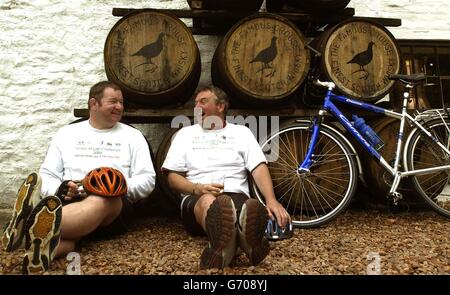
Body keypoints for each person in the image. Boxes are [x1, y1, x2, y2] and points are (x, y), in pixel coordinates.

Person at [2, 81, 156, 274]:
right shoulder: (67, 133)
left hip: (113, 205)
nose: (119, 107)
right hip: (70, 201)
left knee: (101, 199)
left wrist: (117, 185)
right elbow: (48, 174)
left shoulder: (133, 136)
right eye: (113, 101)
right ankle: (39, 251)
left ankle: (27, 226)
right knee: (70, 241)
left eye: (121, 102)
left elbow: (148, 179)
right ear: (94, 104)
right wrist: (61, 189)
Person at [162, 85, 290, 269]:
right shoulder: (184, 134)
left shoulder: (242, 133)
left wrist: (271, 200)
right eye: (195, 103)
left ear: (220, 106)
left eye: (203, 101)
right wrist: (197, 188)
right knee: (210, 201)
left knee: (245, 207)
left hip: (236, 194)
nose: (197, 107)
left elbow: (258, 167)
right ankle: (244, 241)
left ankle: (224, 247)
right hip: (196, 197)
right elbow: (172, 177)